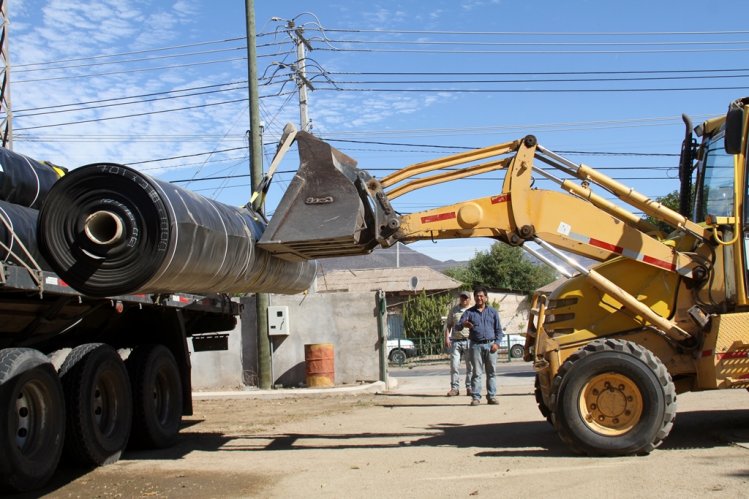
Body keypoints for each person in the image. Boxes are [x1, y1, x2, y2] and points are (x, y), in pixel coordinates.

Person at [457, 287, 503, 406]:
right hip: (475, 346)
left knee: (491, 373)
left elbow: (499, 330)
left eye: (482, 296)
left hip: (491, 346)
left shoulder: (493, 312)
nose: (479, 298)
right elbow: (457, 326)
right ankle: (476, 397)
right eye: (477, 296)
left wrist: (497, 343)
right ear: (475, 298)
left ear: (486, 298)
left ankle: (491, 396)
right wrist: (463, 324)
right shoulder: (469, 312)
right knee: (477, 373)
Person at [444, 291, 473, 397]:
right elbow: (449, 325)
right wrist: (447, 338)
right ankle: (455, 388)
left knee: (470, 366)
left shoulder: (472, 310)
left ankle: (469, 387)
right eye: (462, 298)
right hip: (456, 341)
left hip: (469, 341)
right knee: (454, 366)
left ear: (469, 299)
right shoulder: (454, 310)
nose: (463, 300)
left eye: (466, 298)